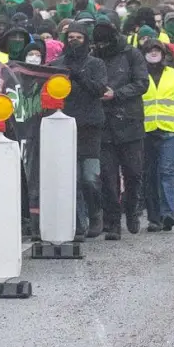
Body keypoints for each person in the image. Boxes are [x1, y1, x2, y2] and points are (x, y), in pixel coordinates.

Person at [51, 27, 109, 240]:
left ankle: (95, 214)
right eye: (71, 37)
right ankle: (77, 223)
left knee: (89, 178)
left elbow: (99, 89)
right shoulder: (57, 65)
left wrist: (79, 77)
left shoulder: (96, 64)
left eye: (79, 37)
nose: (74, 40)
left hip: (90, 128)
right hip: (64, 127)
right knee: (70, 179)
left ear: (86, 40)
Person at [92, 22, 148, 239]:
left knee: (133, 173)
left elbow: (142, 83)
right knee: (108, 177)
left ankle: (132, 208)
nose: (102, 46)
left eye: (105, 42)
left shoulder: (132, 54)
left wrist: (117, 94)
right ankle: (113, 222)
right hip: (104, 124)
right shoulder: (95, 57)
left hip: (130, 122)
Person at [140, 38, 174, 232]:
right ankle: (154, 218)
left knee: (167, 171)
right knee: (150, 174)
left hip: (169, 129)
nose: (153, 53)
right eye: (149, 50)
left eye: (157, 50)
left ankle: (167, 214)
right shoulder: (139, 74)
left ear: (163, 54)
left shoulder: (173, 74)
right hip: (146, 130)